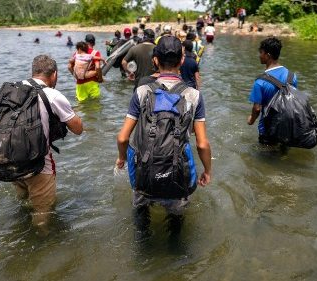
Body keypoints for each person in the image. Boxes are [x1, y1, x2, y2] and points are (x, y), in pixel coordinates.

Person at [115, 36, 212, 236]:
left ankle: (143, 246)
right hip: (177, 169)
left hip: (144, 167)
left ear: (156, 61)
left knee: (141, 216)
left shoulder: (142, 91)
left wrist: (122, 158)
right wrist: (207, 171)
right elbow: (202, 144)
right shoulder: (194, 96)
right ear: (182, 60)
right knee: (176, 222)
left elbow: (123, 138)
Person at [0, 54, 83, 230]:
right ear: (54, 75)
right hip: (38, 164)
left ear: (33, 71)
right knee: (43, 211)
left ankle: (20, 229)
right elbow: (78, 129)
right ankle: (40, 243)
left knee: (23, 202)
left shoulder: (9, 92)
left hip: (10, 159)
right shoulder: (53, 95)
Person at [247, 37, 297, 145]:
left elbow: (257, 108)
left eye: (261, 52)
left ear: (268, 55)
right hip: (287, 128)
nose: (259, 55)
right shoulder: (292, 76)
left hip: (268, 129)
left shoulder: (260, 81)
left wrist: (251, 120)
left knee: (265, 159)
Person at [68, 34, 103, 102]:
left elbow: (69, 66)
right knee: (95, 105)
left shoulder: (77, 53)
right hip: (92, 82)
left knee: (81, 106)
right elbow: (98, 67)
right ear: (94, 43)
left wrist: (76, 76)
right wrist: (100, 78)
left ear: (85, 42)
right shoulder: (95, 53)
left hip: (80, 84)